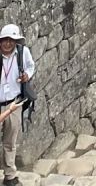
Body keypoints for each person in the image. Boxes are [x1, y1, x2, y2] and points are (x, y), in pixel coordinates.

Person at [0, 24, 34, 186]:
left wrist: (27, 75)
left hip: (14, 102)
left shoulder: (22, 53)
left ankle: (10, 176)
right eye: (5, 40)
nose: (8, 43)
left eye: (12, 40)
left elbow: (30, 66)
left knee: (10, 141)